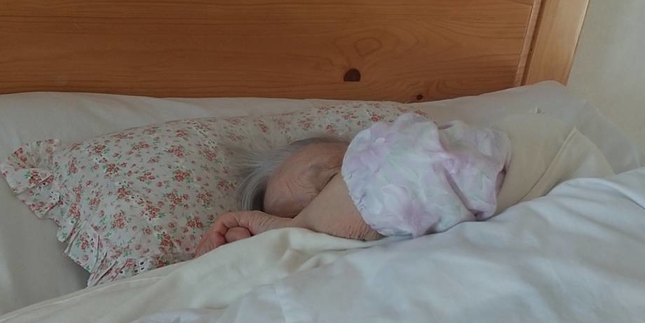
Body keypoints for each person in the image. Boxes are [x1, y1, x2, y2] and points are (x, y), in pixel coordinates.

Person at [194, 113, 511, 256]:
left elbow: (415, 164)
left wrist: (297, 227)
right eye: (295, 215)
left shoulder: (452, 149)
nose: (331, 207)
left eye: (335, 180)